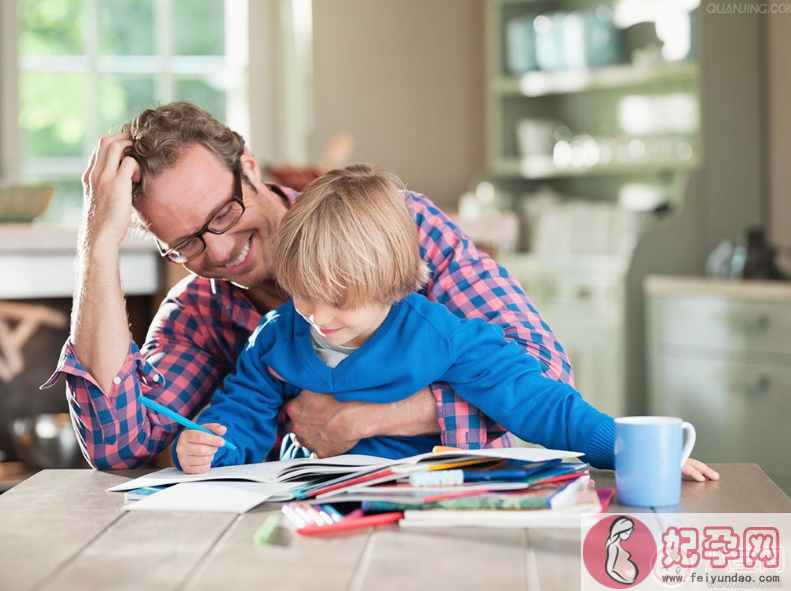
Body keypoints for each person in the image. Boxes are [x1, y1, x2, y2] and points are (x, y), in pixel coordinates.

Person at [43, 101, 573, 470]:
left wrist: (366, 420)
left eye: (223, 213)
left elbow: (545, 368)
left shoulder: (388, 224)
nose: (221, 251)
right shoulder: (197, 313)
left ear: (248, 166)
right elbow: (117, 443)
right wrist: (97, 245)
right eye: (188, 245)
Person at [173, 164, 719, 484]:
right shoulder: (277, 334)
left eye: (337, 299)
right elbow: (240, 411)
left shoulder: (440, 334)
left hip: (422, 499)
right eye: (304, 297)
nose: (316, 317)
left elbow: (540, 403)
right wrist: (208, 449)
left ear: (389, 280)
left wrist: (629, 448)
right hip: (308, 500)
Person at [605, 517, 639, 585]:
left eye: (629, 533)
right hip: (622, 580)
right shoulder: (613, 547)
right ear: (619, 532)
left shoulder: (616, 544)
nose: (628, 536)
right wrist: (626, 581)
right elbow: (609, 570)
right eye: (626, 533)